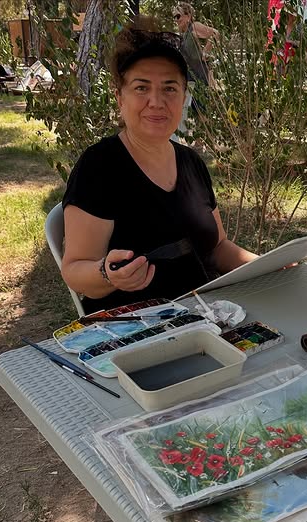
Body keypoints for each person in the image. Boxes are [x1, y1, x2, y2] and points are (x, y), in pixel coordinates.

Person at [60, 16, 257, 314]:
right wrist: (108, 275)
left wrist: (269, 264)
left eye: (169, 88)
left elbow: (216, 248)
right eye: (141, 88)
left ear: (183, 96)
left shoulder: (191, 162)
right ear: (120, 97)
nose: (156, 101)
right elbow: (75, 271)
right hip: (133, 325)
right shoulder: (99, 167)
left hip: (204, 315)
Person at [173, 3, 218, 88]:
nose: (176, 20)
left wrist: (206, 51)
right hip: (190, 79)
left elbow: (215, 33)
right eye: (174, 17)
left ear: (188, 16)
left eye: (178, 16)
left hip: (200, 78)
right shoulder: (183, 34)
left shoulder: (194, 27)